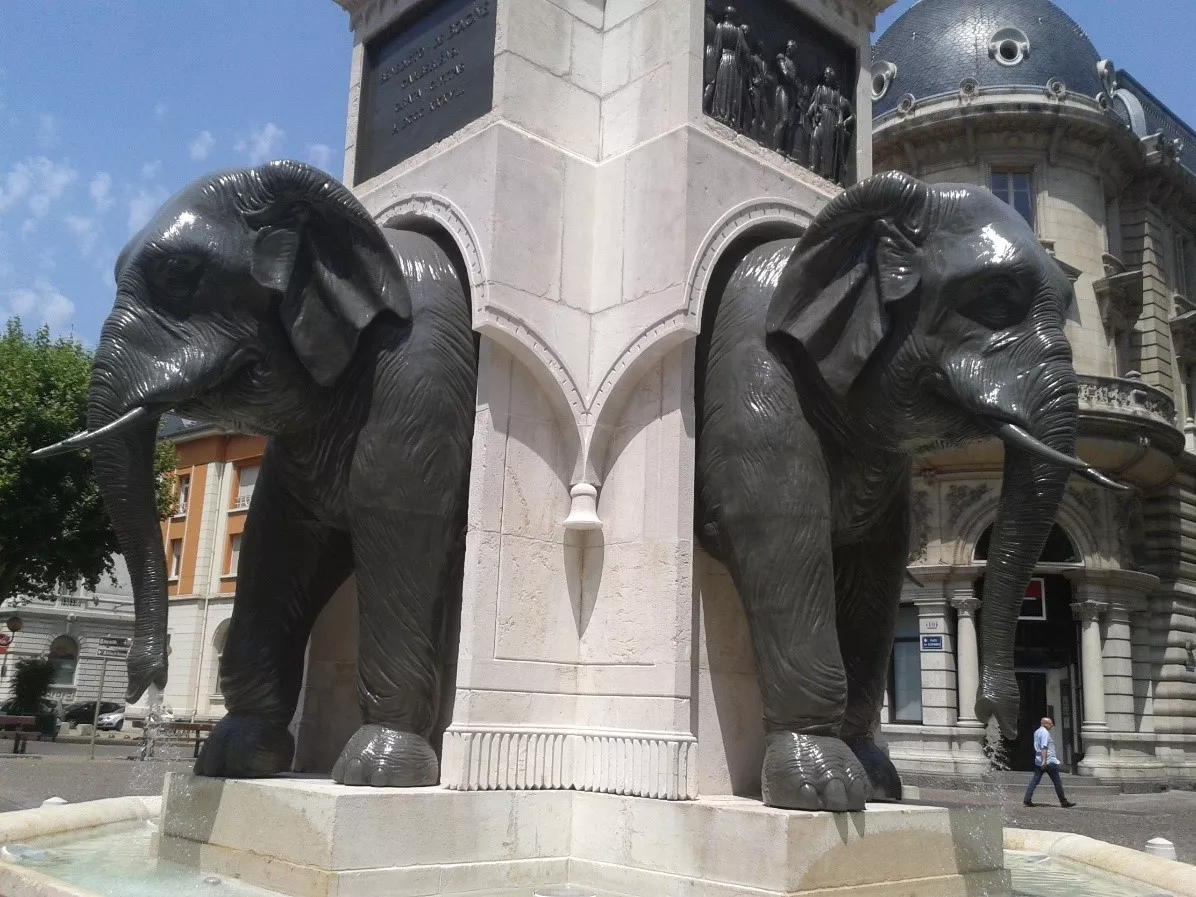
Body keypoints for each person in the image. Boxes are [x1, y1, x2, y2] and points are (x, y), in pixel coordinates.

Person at [1024, 717, 1077, 808]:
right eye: (1050, 723)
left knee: (1035, 781)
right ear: (1044, 723)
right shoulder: (1045, 733)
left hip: (1038, 761)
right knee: (1057, 782)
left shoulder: (1037, 732)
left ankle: (1027, 799)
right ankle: (1063, 802)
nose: (1052, 725)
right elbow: (1044, 747)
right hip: (1048, 761)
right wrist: (1044, 761)